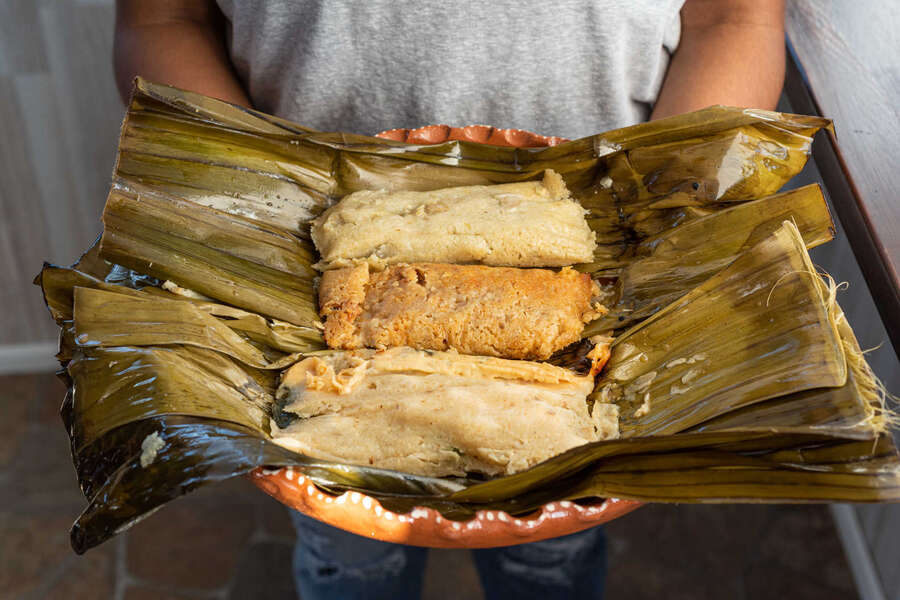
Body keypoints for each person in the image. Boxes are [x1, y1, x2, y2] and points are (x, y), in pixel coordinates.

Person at [113, 2, 786, 598]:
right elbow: (165, 19)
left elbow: (733, 18)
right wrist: (254, 207)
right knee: (352, 557)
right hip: (300, 265)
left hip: (606, 275)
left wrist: (660, 220)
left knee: (551, 554)